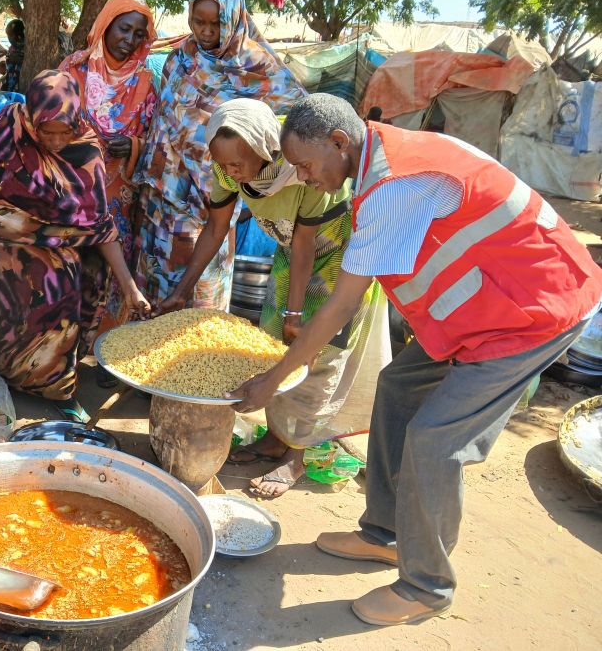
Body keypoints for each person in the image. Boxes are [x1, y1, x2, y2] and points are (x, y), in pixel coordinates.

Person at [230, 93, 602, 625]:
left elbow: (340, 304)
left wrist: (271, 381)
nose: (306, 178)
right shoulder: (381, 155)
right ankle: (385, 534)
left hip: (532, 311)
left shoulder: (394, 186)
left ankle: (427, 585)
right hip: (477, 307)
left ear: (340, 142)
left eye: (308, 166)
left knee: (435, 440)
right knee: (399, 387)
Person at [159, 98, 385, 497]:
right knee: (273, 349)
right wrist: (182, 290)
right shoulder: (227, 167)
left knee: (315, 353)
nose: (230, 172)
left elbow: (305, 243)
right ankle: (275, 437)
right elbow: (215, 229)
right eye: (223, 165)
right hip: (289, 259)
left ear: (264, 150)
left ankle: (294, 457)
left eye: (237, 164)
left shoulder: (303, 170)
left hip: (338, 259)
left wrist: (296, 312)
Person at [0, 70, 151, 419]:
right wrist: (30, 231)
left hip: (68, 240)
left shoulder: (85, 149)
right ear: (31, 119)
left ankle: (56, 380)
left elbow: (100, 226)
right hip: (9, 233)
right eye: (46, 132)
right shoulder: (10, 128)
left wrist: (131, 289)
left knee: (77, 271)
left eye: (63, 132)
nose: (55, 141)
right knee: (43, 270)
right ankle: (16, 367)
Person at [133, 0, 305, 309]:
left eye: (216, 23)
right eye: (199, 22)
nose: (207, 31)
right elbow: (161, 121)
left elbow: (297, 121)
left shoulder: (257, 66)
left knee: (198, 305)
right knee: (153, 292)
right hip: (159, 196)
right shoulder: (180, 58)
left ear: (234, 17)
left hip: (213, 204)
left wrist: (260, 180)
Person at [59, 0, 158, 386]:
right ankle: (61, 354)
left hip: (119, 192)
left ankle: (107, 353)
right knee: (72, 271)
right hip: (70, 191)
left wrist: (131, 147)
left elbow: (155, 139)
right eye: (123, 28)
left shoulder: (147, 83)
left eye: (138, 33)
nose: (129, 39)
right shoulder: (74, 69)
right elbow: (49, 120)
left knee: (115, 277)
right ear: (105, 25)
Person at [1, 19, 24, 91]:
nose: (10, 38)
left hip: (14, 86)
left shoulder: (19, 48)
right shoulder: (14, 48)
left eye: (11, 35)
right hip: (12, 84)